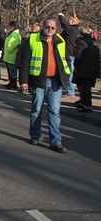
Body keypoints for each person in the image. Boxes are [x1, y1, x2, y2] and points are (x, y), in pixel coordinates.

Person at [19, 17, 71, 153]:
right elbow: (24, 63)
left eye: (53, 28)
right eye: (47, 27)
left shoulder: (60, 41)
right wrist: (23, 81)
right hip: (39, 81)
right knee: (36, 109)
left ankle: (56, 142)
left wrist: (67, 76)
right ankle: (35, 136)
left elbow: (65, 59)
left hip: (56, 82)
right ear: (43, 26)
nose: (50, 30)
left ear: (56, 29)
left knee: (54, 111)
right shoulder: (32, 39)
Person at [73, 26, 100, 113]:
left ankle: (86, 104)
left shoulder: (81, 43)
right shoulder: (94, 45)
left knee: (83, 87)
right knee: (86, 88)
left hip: (82, 68)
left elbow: (77, 56)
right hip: (91, 68)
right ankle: (84, 103)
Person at [58, 13, 81, 97]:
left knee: (69, 72)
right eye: (70, 18)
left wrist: (61, 16)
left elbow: (64, 24)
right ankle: (68, 90)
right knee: (68, 72)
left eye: (73, 19)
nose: (70, 20)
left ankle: (70, 91)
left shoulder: (72, 29)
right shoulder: (72, 30)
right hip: (69, 54)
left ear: (78, 21)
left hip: (70, 54)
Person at [4, 21, 22, 89]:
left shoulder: (15, 35)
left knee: (12, 72)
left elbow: (11, 45)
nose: (8, 27)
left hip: (11, 56)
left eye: (9, 26)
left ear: (13, 27)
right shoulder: (12, 34)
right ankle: (11, 83)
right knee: (10, 72)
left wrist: (9, 49)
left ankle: (13, 84)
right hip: (9, 56)